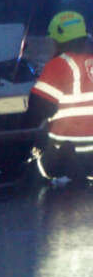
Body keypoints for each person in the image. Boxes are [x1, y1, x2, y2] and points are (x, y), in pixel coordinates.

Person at [25, 11, 93, 183]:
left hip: (69, 156)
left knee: (27, 177)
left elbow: (36, 110)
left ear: (59, 39)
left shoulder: (59, 65)